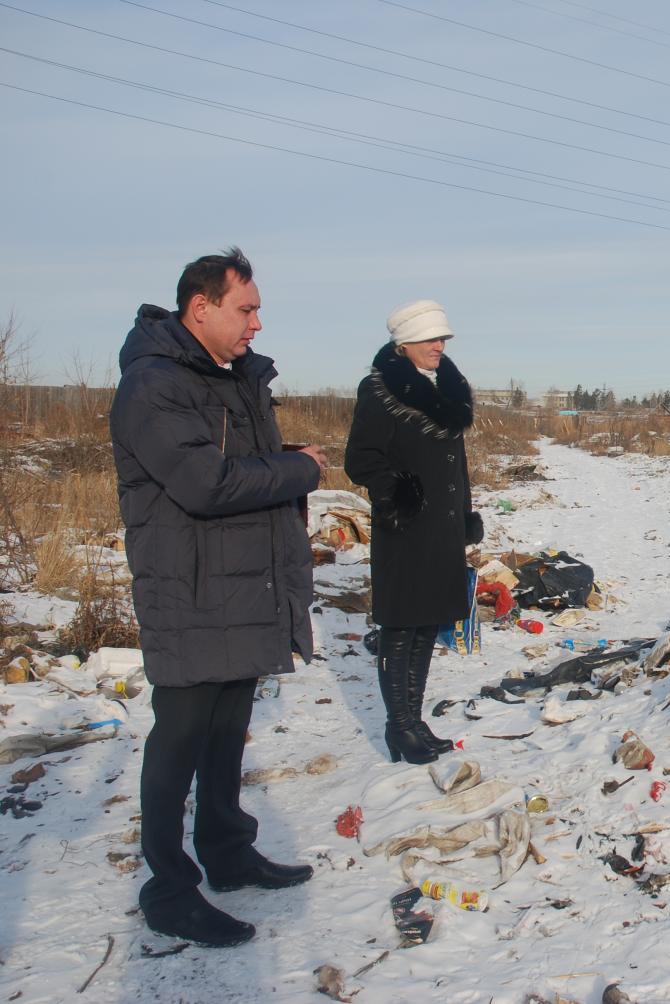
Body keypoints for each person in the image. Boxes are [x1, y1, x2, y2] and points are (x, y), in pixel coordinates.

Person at [110, 247, 328, 948]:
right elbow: (207, 483)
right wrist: (297, 469)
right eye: (247, 308)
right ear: (199, 307)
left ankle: (228, 855)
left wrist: (282, 463)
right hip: (190, 590)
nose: (257, 324)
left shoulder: (231, 380)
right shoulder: (153, 385)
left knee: (227, 730)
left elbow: (237, 466)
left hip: (239, 588)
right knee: (178, 739)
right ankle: (169, 890)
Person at [344, 300, 482, 765]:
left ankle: (413, 719)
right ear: (403, 346)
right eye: (430, 340)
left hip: (442, 530)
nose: (439, 347)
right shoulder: (379, 389)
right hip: (405, 529)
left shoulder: (447, 389)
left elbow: (456, 465)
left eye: (443, 339)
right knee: (401, 627)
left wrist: (465, 513)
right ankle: (399, 726)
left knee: (427, 625)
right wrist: (398, 492)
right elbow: (361, 459)